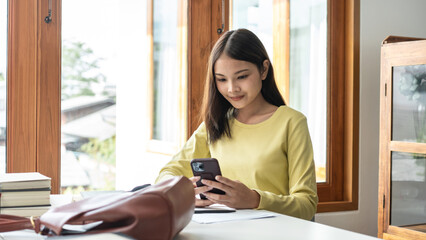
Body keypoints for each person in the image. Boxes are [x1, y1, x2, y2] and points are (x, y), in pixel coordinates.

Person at [155, 28, 318, 220]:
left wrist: (255, 199)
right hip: (223, 229)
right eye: (222, 80)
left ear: (264, 69)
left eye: (241, 76)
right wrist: (183, 192)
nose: (232, 89)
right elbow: (167, 173)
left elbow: (307, 205)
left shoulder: (291, 123)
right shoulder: (216, 124)